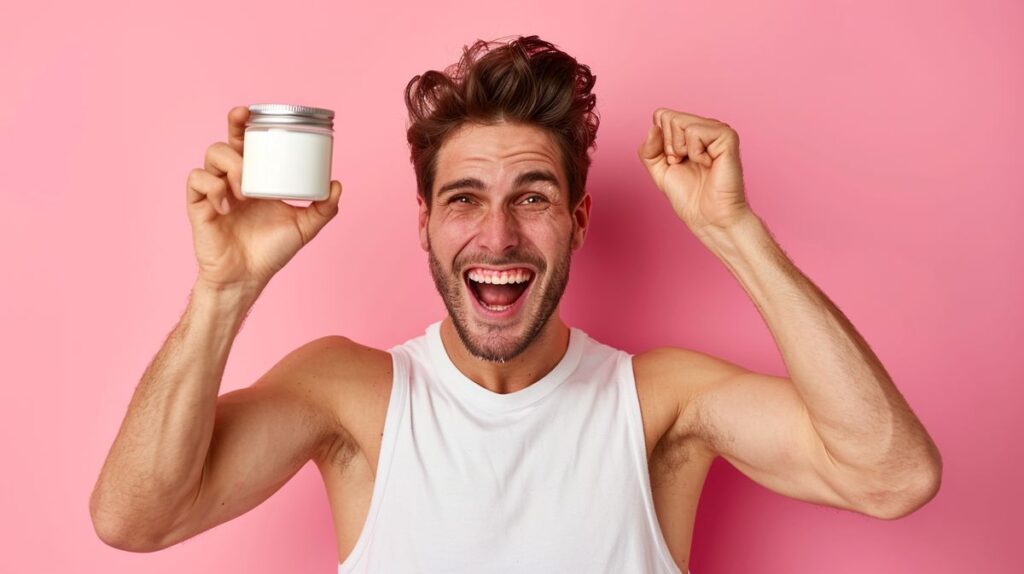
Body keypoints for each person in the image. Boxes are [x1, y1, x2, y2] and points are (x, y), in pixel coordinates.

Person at [89, 35, 942, 574]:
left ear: (577, 220)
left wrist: (732, 231)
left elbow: (893, 476)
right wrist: (224, 289)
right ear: (424, 225)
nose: (497, 237)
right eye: (464, 199)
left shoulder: (659, 405)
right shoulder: (352, 396)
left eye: (532, 197)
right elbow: (135, 520)